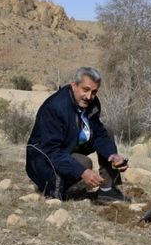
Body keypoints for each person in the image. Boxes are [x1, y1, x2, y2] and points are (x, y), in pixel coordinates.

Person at [26, 67, 131, 203]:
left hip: (68, 146)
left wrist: (112, 155)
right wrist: (82, 172)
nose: (89, 96)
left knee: (107, 132)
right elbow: (50, 151)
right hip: (42, 160)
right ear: (74, 85)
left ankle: (107, 190)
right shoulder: (55, 108)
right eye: (85, 90)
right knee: (84, 164)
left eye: (94, 92)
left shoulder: (92, 103)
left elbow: (98, 133)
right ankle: (57, 188)